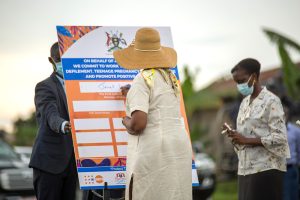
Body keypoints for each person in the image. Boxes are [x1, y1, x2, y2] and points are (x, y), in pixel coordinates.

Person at [113, 27, 193, 200]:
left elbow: (138, 124)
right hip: (177, 147)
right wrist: (132, 95)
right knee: (174, 192)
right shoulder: (170, 78)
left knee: (148, 192)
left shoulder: (141, 79)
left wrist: (125, 120)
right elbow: (159, 104)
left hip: (155, 149)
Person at [223, 58, 290, 200]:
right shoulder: (244, 104)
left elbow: (280, 138)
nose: (239, 85)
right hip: (245, 169)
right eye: (236, 82)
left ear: (254, 76)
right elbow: (244, 138)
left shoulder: (271, 101)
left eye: (242, 80)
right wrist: (235, 136)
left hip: (266, 169)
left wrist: (246, 140)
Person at [29, 42, 77, 200]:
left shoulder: (77, 87)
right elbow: (50, 113)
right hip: (49, 163)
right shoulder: (44, 86)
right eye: (59, 59)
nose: (63, 64)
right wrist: (63, 125)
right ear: (51, 61)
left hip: (72, 164)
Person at [282, 104, 300, 200]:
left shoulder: (295, 131)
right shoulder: (270, 131)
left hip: (290, 169)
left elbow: (299, 149)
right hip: (275, 170)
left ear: (288, 115)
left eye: (284, 115)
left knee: (291, 195)